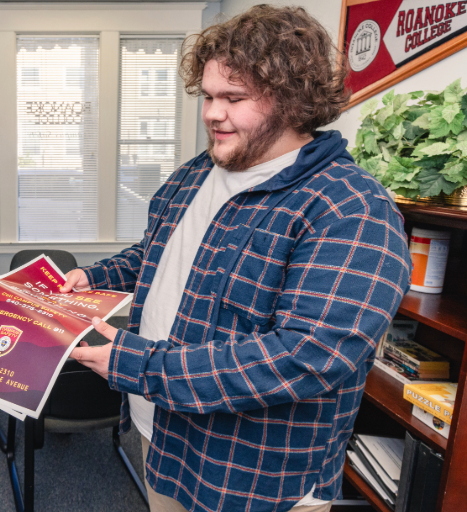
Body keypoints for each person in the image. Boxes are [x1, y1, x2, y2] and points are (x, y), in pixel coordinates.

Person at [65, 6, 411, 512]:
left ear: (294, 100)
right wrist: (92, 278)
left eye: (234, 98)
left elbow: (308, 357)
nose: (210, 113)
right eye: (207, 95)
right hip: (161, 432)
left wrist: (140, 365)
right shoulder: (195, 173)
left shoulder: (351, 207)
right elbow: (157, 256)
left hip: (252, 478)